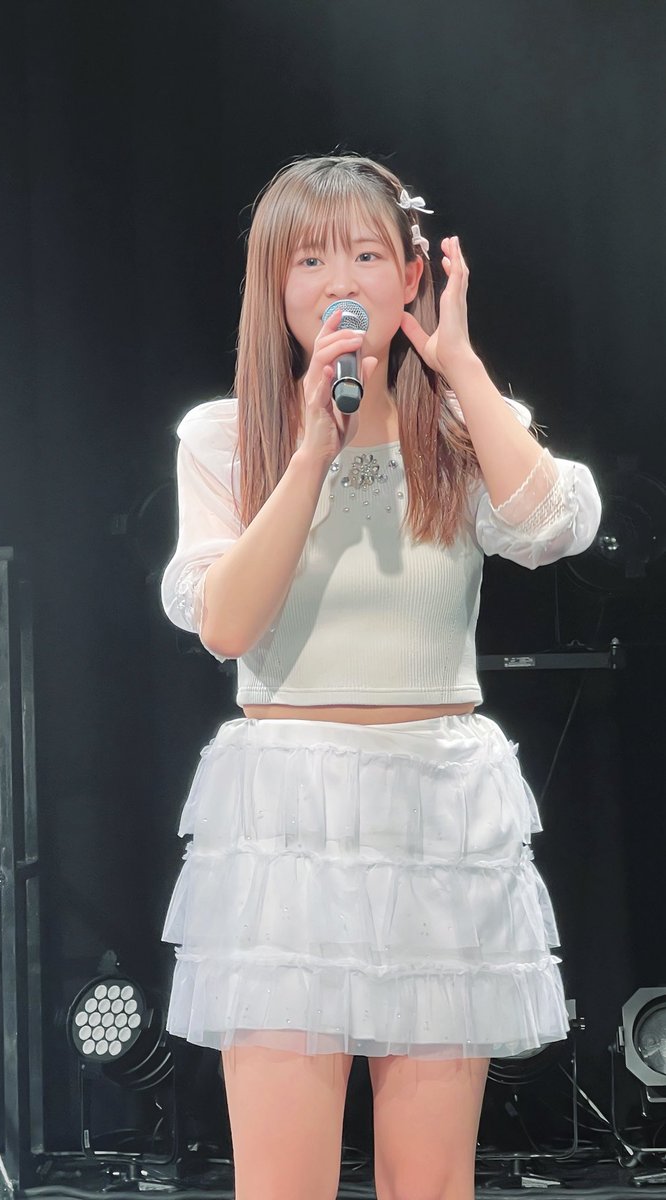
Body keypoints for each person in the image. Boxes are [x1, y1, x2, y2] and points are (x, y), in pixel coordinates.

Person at [159, 154, 602, 1200]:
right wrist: (310, 452)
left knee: (429, 1181)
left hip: (437, 805)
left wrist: (462, 369)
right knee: (281, 1184)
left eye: (365, 255)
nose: (338, 282)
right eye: (309, 259)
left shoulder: (459, 427)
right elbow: (225, 622)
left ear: (409, 277)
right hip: (285, 813)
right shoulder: (226, 436)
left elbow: (554, 526)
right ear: (274, 284)